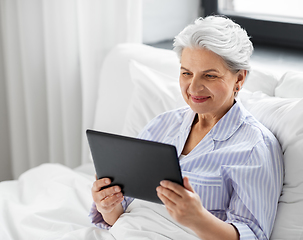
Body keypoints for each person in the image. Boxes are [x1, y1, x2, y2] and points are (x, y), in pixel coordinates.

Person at [90, 15, 284, 240]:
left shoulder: (254, 147)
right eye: (186, 73)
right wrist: (106, 205)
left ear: (239, 79)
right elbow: (121, 214)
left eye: (209, 76)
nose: (193, 87)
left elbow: (253, 235)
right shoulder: (162, 125)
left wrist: (198, 219)